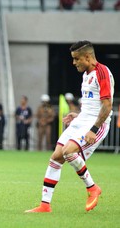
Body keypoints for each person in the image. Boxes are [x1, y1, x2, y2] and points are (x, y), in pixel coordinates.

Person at [25, 40, 114, 213]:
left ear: (87, 57)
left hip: (97, 123)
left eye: (76, 59)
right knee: (56, 157)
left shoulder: (101, 72)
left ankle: (92, 188)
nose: (74, 63)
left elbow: (107, 106)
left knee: (69, 151)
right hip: (82, 120)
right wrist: (79, 116)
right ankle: (45, 205)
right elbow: (91, 104)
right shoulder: (86, 74)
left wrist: (93, 129)